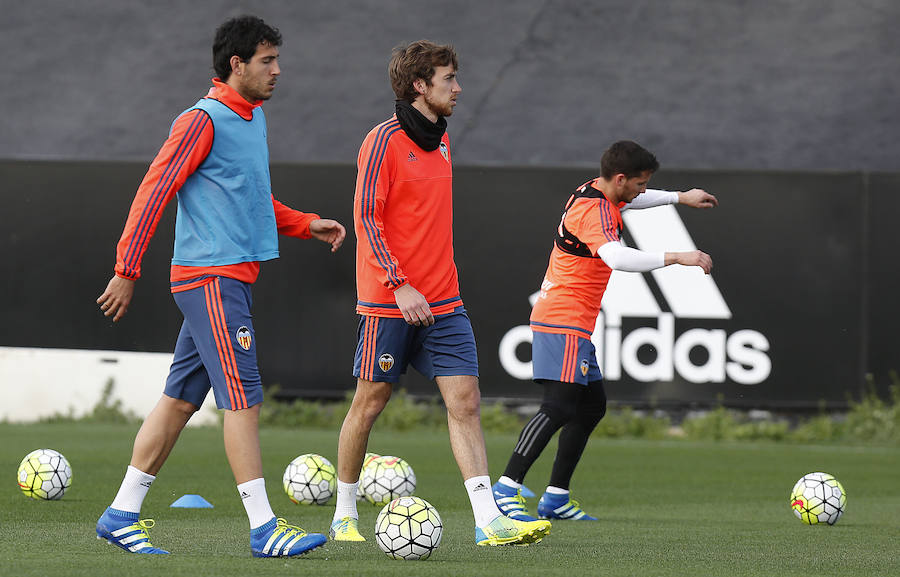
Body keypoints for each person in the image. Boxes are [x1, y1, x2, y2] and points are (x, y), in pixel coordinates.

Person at [94, 15, 346, 557]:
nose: (278, 71)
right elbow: (154, 190)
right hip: (210, 279)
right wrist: (126, 269)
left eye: (277, 59)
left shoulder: (251, 118)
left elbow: (249, 200)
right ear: (237, 65)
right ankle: (263, 528)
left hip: (224, 280)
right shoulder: (201, 120)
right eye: (267, 61)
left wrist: (305, 223)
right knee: (242, 398)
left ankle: (120, 514)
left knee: (180, 400)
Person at [328, 40, 551, 547]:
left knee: (466, 402)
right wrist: (399, 283)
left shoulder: (443, 139)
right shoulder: (381, 141)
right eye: (449, 79)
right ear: (419, 86)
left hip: (445, 301)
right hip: (391, 300)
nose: (458, 87)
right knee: (370, 403)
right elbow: (367, 217)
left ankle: (487, 520)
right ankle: (344, 514)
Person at [492, 140, 717, 521]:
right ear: (620, 178)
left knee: (591, 406)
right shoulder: (594, 210)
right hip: (561, 317)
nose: (643, 191)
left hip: (575, 320)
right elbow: (616, 256)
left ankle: (555, 498)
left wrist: (680, 197)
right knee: (558, 407)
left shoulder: (600, 191)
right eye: (641, 183)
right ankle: (505, 489)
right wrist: (677, 256)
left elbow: (634, 200)